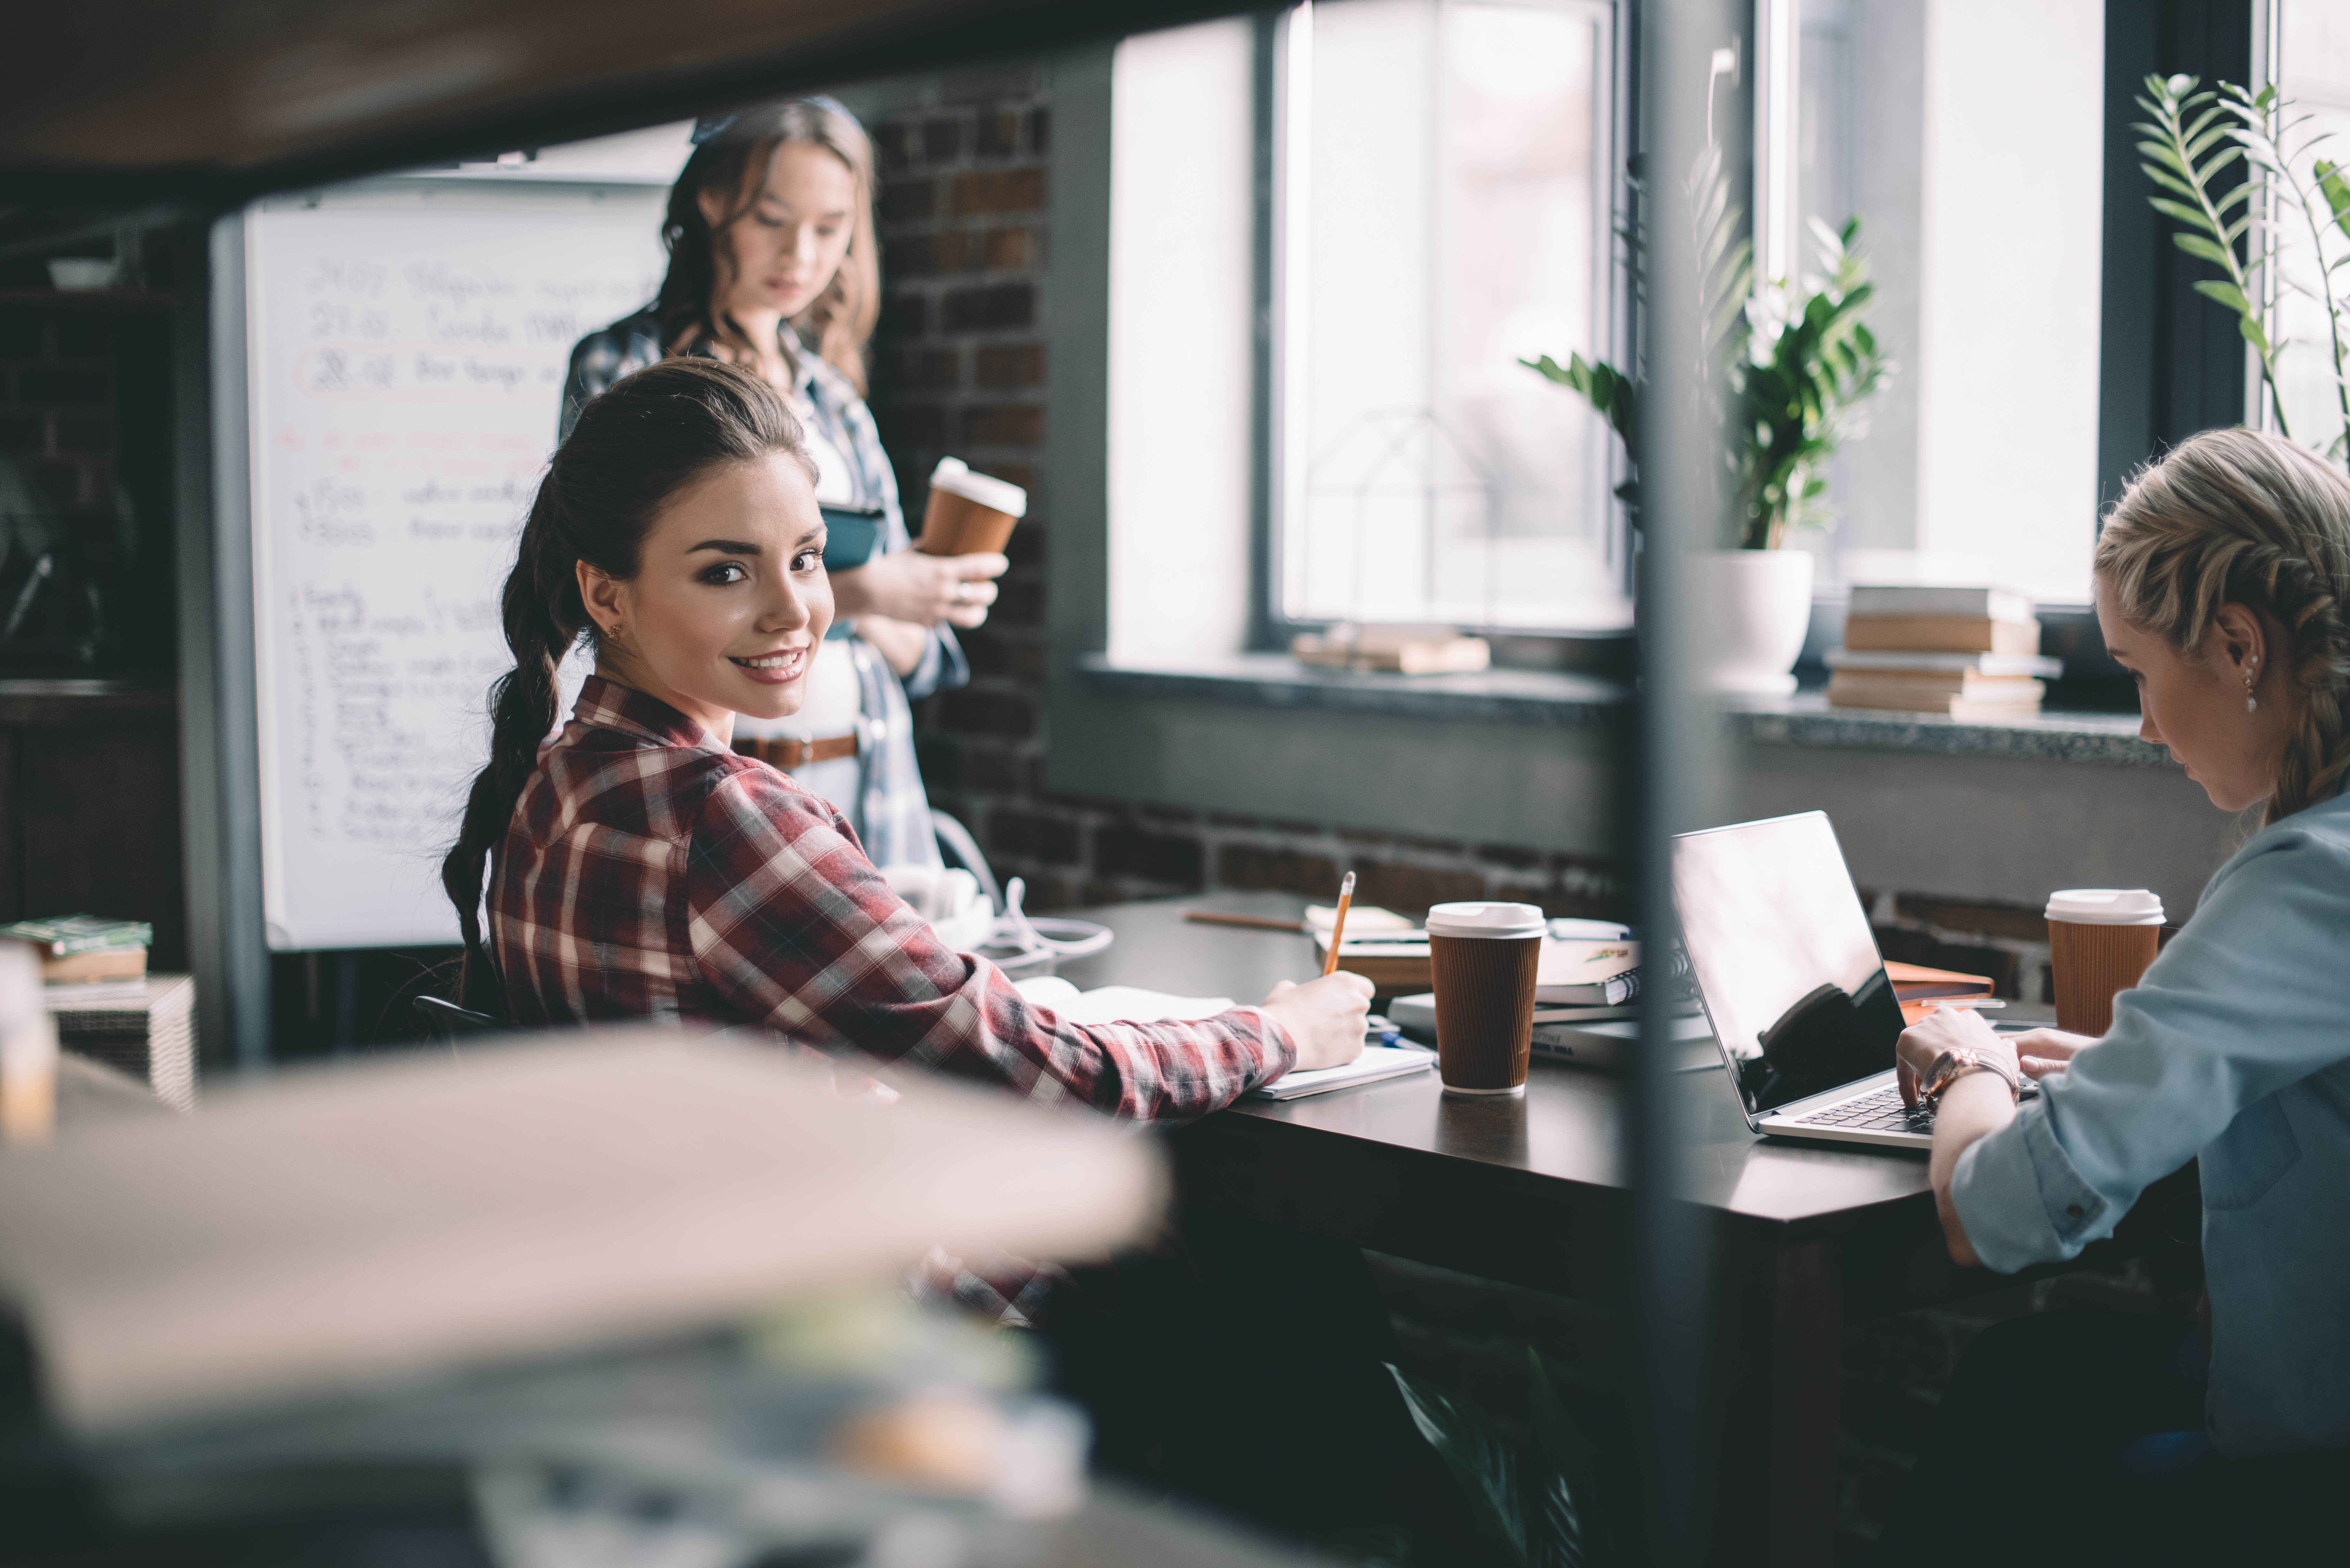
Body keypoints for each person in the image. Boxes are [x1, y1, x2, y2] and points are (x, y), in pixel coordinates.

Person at [1872, 427, 2349, 1565]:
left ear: (2239, 645)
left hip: (2315, 1479)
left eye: (2140, 673)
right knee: (2024, 1384)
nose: (2140, 723)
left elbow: (1989, 1213)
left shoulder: (2306, 886)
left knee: (2029, 1432)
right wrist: (2126, 1077)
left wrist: (1968, 1067)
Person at [560, 97, 997, 868]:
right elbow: (615, 601)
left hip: (867, 772)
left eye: (829, 229)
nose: (800, 253)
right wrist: (868, 592)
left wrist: (924, 595)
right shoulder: (628, 369)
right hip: (711, 777)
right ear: (713, 200)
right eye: (771, 219)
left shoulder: (836, 400)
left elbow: (915, 654)